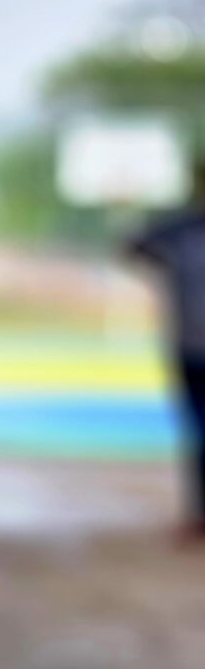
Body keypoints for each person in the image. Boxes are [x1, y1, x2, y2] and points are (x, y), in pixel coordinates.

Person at [126, 161, 205, 541]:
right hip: (190, 347)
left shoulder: (178, 231)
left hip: (189, 345)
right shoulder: (177, 229)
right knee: (198, 431)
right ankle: (197, 515)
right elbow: (135, 247)